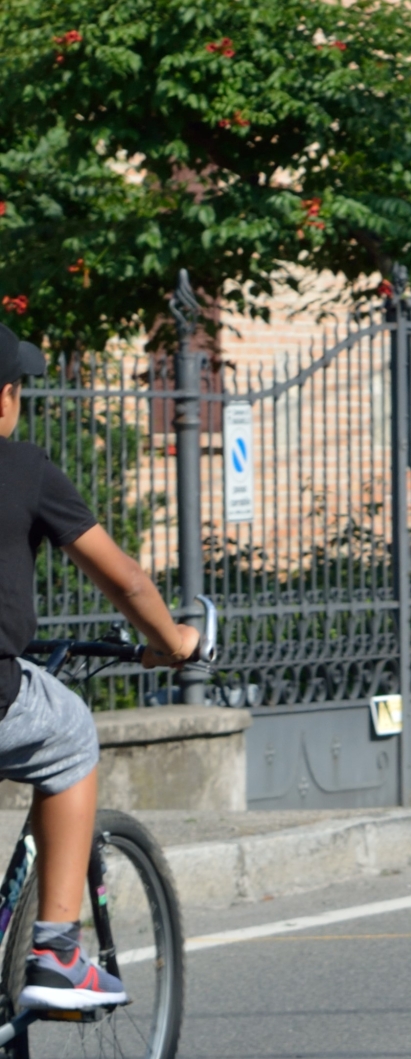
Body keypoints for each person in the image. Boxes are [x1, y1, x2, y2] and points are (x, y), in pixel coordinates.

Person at [0, 322, 198, 1011]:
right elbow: (127, 583)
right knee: (71, 729)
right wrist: (174, 640)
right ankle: (56, 950)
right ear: (4, 399)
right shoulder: (23, 467)